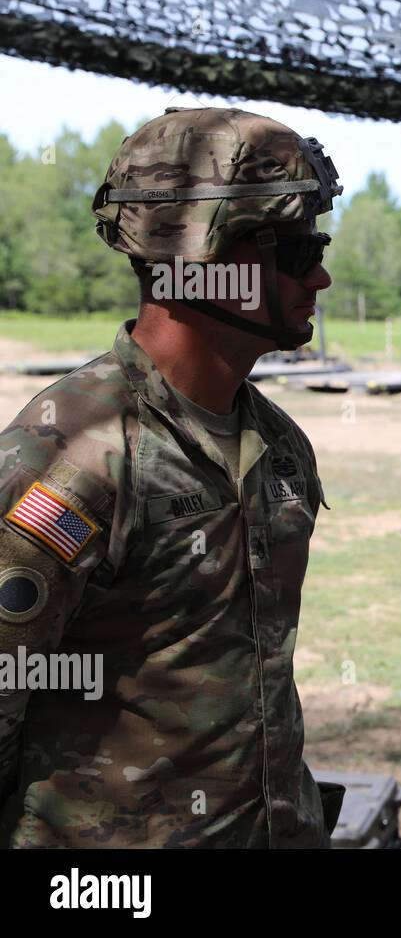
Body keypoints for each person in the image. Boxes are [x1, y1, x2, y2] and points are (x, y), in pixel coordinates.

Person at [0, 107, 342, 847]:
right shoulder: (74, 451)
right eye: (293, 250)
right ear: (200, 254)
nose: (319, 273)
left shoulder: (280, 445)